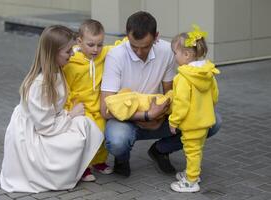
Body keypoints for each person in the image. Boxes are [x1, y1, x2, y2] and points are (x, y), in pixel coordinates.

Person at [100, 11, 222, 177]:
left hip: (159, 115)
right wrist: (146, 116)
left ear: (156, 36)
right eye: (134, 46)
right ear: (127, 35)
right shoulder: (116, 55)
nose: (139, 52)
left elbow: (172, 94)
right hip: (127, 118)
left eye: (145, 46)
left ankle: (160, 150)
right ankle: (122, 158)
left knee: (212, 122)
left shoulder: (168, 51)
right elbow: (105, 108)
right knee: (117, 140)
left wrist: (161, 116)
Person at [0, 25, 103, 193]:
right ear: (54, 53)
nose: (73, 54)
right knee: (79, 132)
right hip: (33, 135)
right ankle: (58, 174)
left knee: (85, 124)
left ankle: (73, 169)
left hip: (46, 124)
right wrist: (70, 115)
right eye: (69, 51)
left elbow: (50, 114)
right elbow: (45, 126)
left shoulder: (56, 70)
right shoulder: (41, 85)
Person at [63, 19, 124, 181]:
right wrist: (69, 110)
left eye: (100, 44)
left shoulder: (103, 53)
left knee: (102, 135)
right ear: (79, 41)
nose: (96, 49)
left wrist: (132, 40)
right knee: (84, 139)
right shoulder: (71, 62)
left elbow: (120, 46)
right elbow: (66, 89)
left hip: (98, 107)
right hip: (80, 109)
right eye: (91, 45)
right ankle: (82, 166)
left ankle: (99, 162)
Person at [169, 25, 219, 193]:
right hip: (205, 121)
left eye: (175, 53)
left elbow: (181, 103)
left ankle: (191, 181)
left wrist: (173, 120)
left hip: (191, 123)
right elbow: (215, 96)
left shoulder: (183, 77)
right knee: (197, 150)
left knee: (191, 151)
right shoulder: (207, 72)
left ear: (187, 54)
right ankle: (193, 173)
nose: (174, 57)